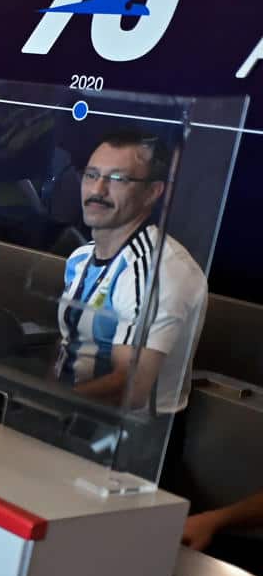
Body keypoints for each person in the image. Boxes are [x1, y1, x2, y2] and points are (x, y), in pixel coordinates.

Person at [52, 132, 207, 423]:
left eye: (118, 179)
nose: (98, 189)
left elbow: (130, 386)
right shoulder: (80, 258)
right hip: (73, 415)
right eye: (91, 175)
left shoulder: (160, 271)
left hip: (130, 439)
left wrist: (45, 401)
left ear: (152, 192)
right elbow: (68, 345)